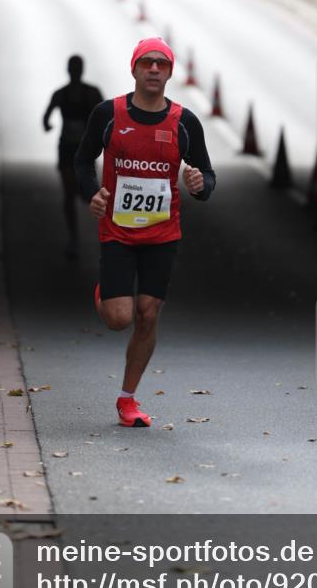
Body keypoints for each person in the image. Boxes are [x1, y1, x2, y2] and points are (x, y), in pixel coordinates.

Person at [74, 37, 216, 427]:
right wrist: (92, 193)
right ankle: (106, 292)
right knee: (119, 318)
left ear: (170, 73)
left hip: (162, 234)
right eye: (147, 62)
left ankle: (128, 400)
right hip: (117, 231)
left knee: (148, 313)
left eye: (162, 64)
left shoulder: (185, 122)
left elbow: (208, 174)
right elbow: (83, 160)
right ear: (134, 69)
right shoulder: (108, 113)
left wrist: (199, 184)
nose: (154, 69)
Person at [43, 56, 103, 255]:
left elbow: (106, 116)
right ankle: (74, 238)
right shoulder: (64, 94)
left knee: (86, 195)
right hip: (69, 151)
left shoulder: (84, 94)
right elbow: (46, 119)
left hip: (84, 152)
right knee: (71, 193)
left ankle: (83, 237)